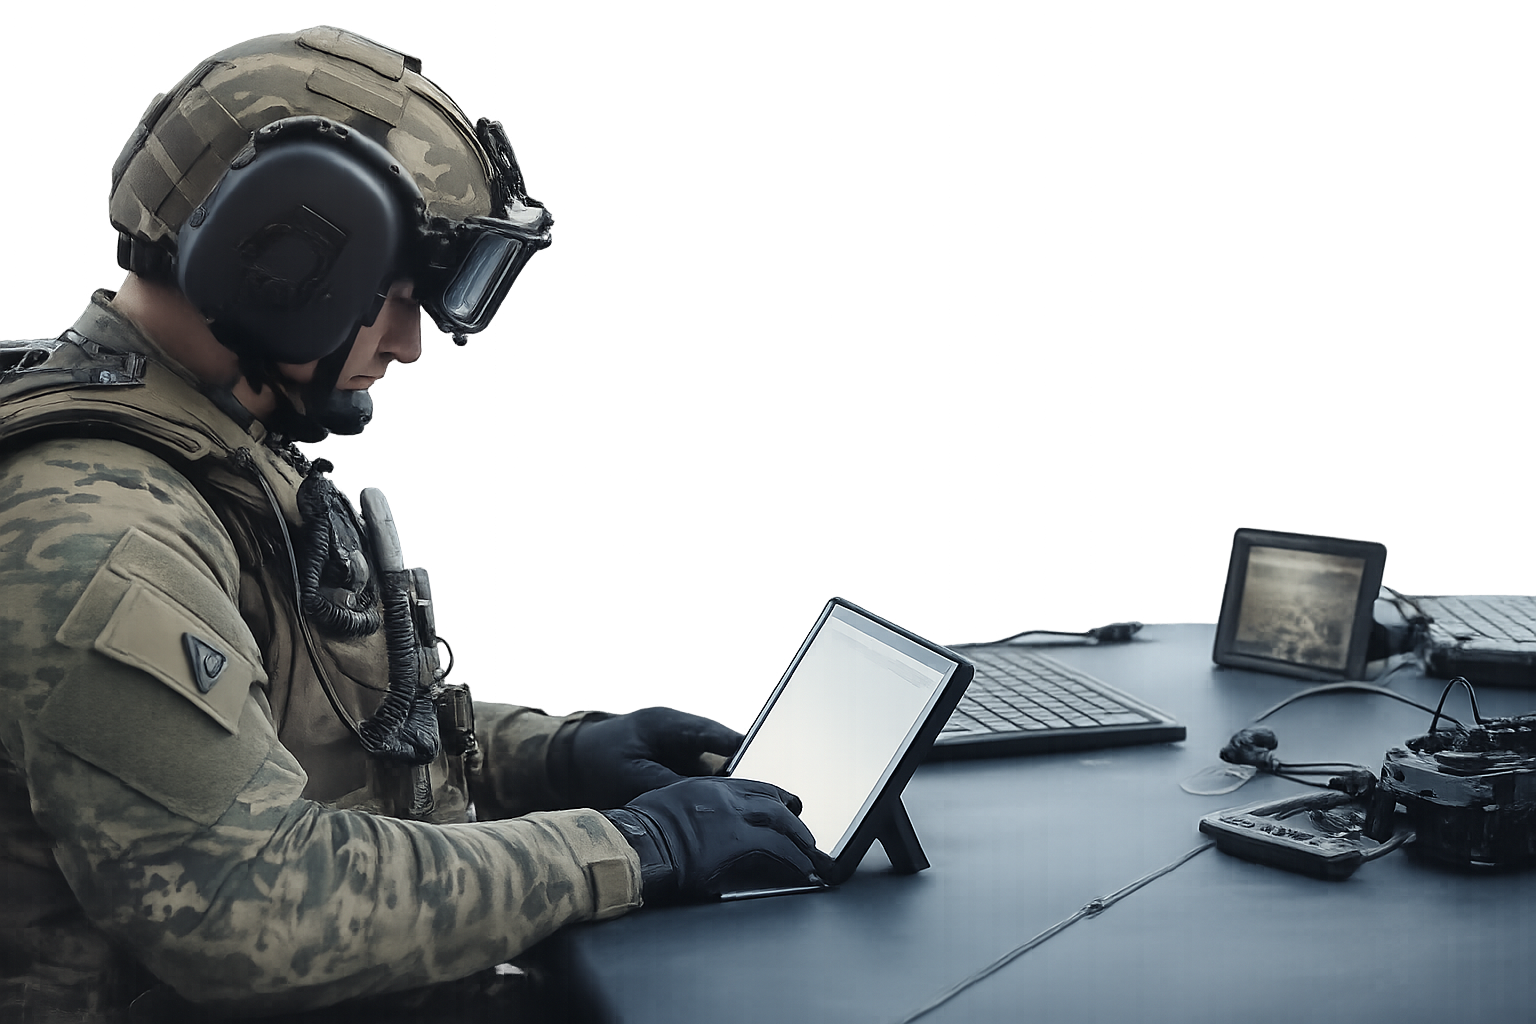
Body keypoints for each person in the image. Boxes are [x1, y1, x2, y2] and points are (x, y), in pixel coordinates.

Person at [0, 26, 834, 1023]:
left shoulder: (212, 453)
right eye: (392, 297)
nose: (408, 345)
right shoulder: (97, 525)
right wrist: (631, 850)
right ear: (276, 267)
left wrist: (555, 754)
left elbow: (341, 747)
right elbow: (247, 906)